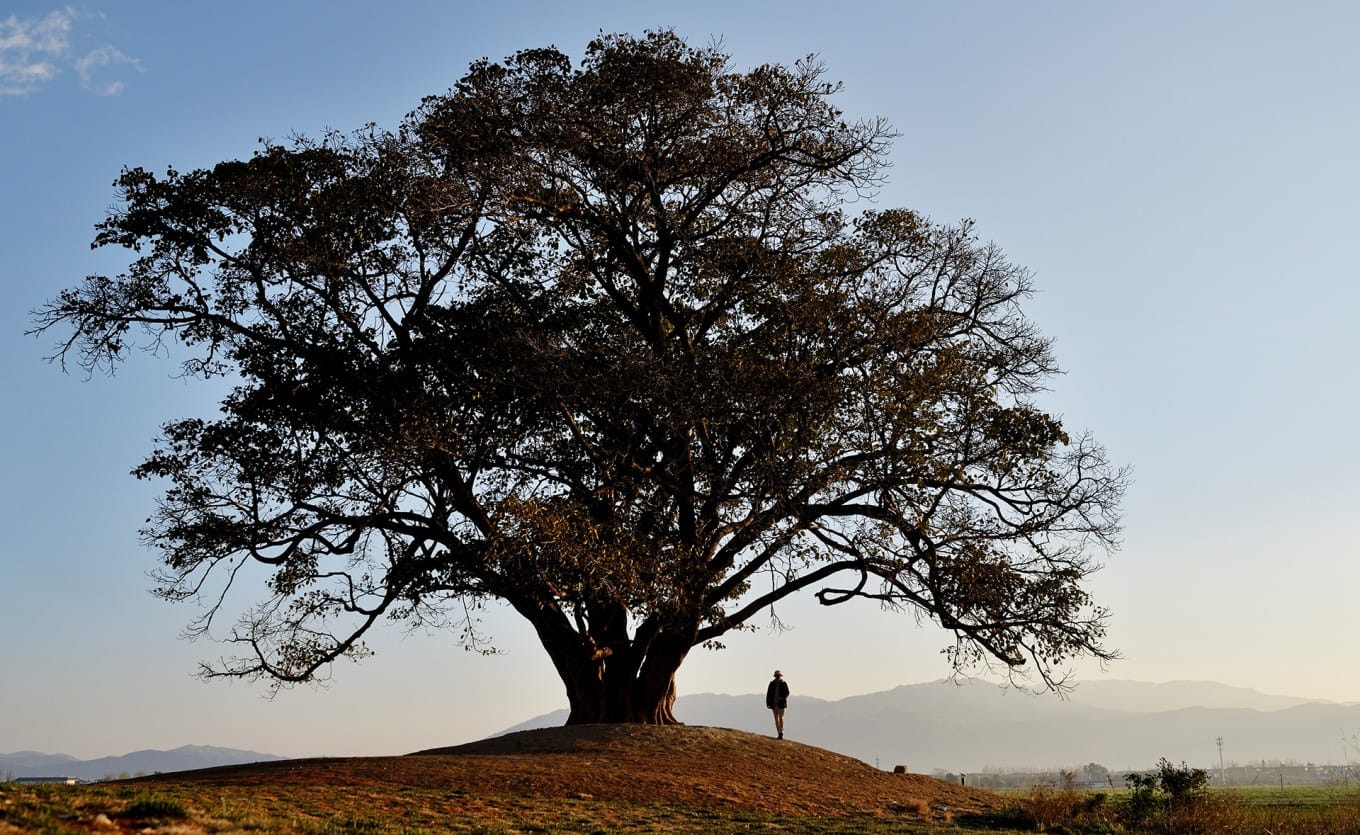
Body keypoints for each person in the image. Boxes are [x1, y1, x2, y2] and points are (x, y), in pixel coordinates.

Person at [766, 670, 789, 739]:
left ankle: (781, 732)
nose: (777, 677)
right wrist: (768, 703)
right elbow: (768, 694)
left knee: (781, 718)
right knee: (776, 719)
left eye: (778, 676)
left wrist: (783, 698)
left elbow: (787, 692)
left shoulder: (784, 683)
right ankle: (779, 733)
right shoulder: (772, 684)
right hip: (774, 704)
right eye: (777, 676)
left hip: (781, 704)